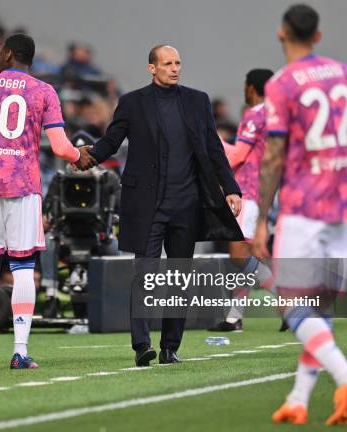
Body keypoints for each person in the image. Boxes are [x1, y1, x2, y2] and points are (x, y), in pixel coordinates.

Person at [252, 4, 347, 425]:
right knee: (319, 307)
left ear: (281, 34)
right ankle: (299, 398)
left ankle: (346, 377)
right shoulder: (342, 72)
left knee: (291, 306)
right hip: (340, 206)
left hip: (303, 207)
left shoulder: (283, 84)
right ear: (318, 36)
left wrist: (260, 220)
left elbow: (272, 159)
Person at [83, 44, 243, 367]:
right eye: (167, 63)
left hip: (187, 203)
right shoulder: (132, 103)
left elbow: (214, 149)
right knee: (145, 272)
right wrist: (85, 157)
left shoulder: (198, 101)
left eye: (178, 62)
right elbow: (111, 142)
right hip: (148, 203)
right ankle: (142, 345)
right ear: (151, 68)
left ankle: (170, 347)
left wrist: (231, 189)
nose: (175, 68)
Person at [0, 33, 94, 370]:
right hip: (23, 185)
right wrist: (80, 156)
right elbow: (59, 146)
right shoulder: (43, 92)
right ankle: (20, 351)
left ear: (9, 53)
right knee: (23, 266)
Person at [209, 69, 275, 332]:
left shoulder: (256, 114)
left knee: (238, 255)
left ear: (252, 88)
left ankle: (291, 304)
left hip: (247, 190)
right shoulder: (277, 114)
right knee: (246, 254)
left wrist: (214, 140)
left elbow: (236, 157)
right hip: (266, 190)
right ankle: (234, 317)